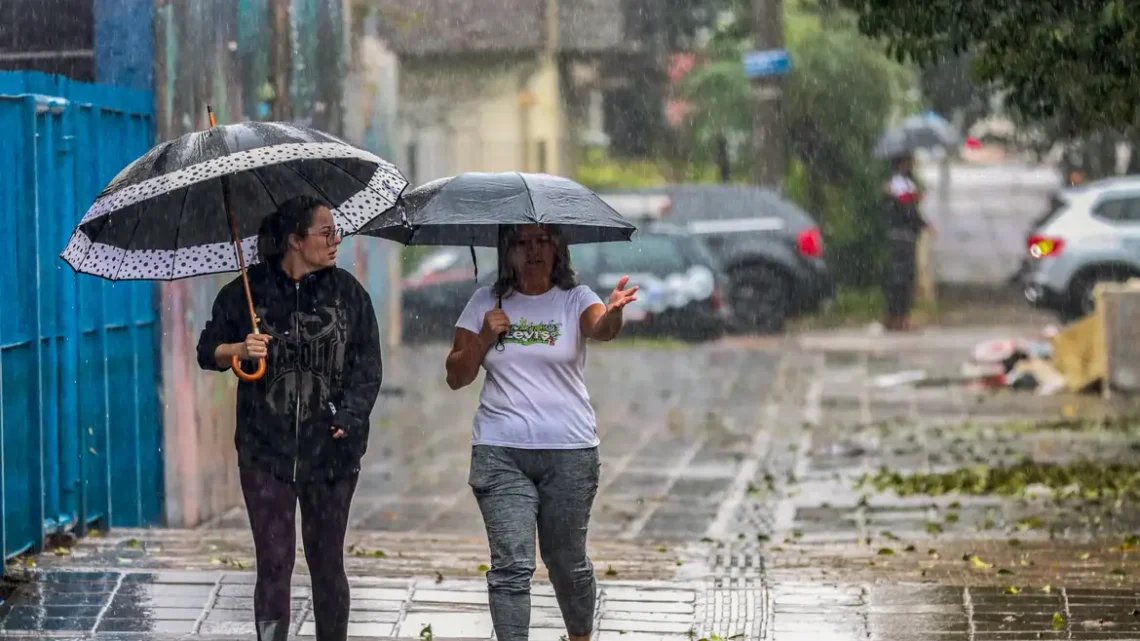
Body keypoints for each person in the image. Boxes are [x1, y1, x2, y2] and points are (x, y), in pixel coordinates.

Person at [196, 195, 382, 641]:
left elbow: (367, 369)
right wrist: (239, 349)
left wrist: (352, 417)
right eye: (325, 232)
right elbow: (208, 352)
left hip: (332, 454)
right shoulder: (246, 292)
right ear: (296, 241)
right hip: (265, 453)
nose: (335, 240)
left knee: (326, 562)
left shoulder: (349, 294)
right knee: (275, 561)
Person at [444, 224, 638, 641]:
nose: (533, 251)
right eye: (522, 242)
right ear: (507, 251)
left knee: (566, 560)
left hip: (569, 452)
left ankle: (580, 635)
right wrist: (483, 337)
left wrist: (616, 311)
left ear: (557, 249)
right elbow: (456, 376)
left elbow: (601, 328)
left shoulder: (576, 299)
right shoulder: (483, 303)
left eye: (542, 241)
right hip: (500, 452)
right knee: (512, 565)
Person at [882, 153, 934, 331]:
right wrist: (914, 201)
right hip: (902, 236)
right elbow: (907, 209)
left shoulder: (903, 184)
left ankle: (898, 316)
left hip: (904, 236)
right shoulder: (897, 184)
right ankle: (897, 317)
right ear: (902, 163)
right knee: (902, 278)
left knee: (902, 278)